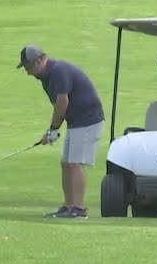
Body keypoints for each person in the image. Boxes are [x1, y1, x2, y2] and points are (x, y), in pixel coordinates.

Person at [17, 44, 105, 218]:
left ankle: (79, 209)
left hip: (88, 119)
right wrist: (54, 131)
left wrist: (53, 130)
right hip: (76, 121)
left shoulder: (58, 71)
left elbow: (62, 103)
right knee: (66, 163)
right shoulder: (45, 77)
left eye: (30, 67)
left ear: (40, 60)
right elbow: (60, 106)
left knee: (75, 163)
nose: (28, 73)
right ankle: (68, 206)